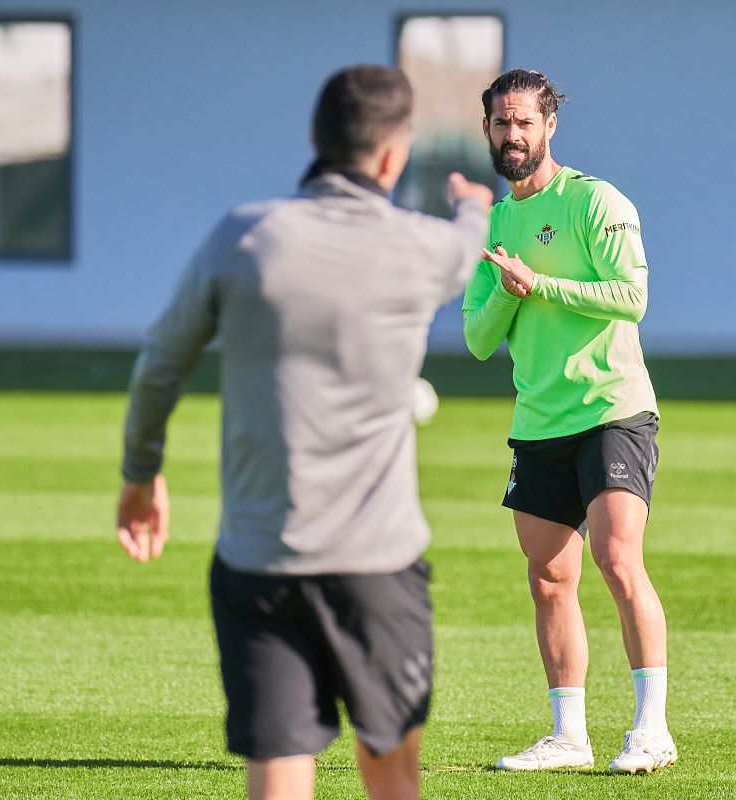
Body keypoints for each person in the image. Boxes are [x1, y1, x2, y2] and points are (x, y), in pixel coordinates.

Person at [115, 65, 493, 800]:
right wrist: (472, 206)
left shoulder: (243, 239)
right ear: (392, 157)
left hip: (260, 561)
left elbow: (160, 363)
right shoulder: (421, 250)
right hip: (378, 570)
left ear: (313, 139)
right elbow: (467, 245)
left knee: (281, 772)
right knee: (391, 772)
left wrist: (140, 475)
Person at [463, 69, 676, 775]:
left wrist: (541, 282)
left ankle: (651, 730)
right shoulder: (496, 223)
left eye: (525, 122)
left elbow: (632, 296)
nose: (513, 135)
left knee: (618, 560)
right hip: (539, 419)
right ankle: (569, 736)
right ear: (487, 129)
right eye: (501, 123)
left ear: (550, 125)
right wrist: (506, 288)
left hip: (612, 410)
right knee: (549, 578)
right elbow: (477, 337)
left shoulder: (594, 201)